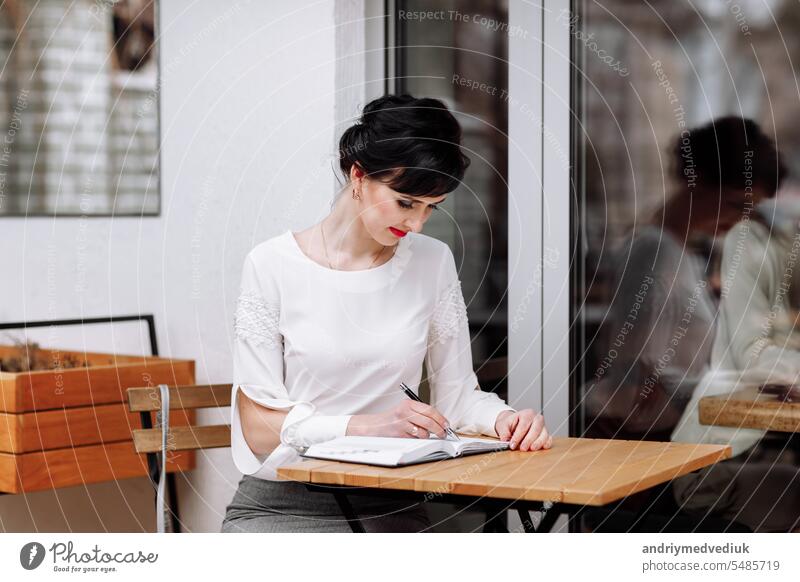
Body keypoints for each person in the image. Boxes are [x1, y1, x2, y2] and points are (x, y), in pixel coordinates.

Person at [221, 94, 552, 533]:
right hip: (287, 504)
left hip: (394, 501)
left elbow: (457, 396)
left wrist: (505, 420)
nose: (417, 224)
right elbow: (259, 426)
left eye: (431, 208)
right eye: (405, 202)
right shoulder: (272, 265)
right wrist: (372, 426)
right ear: (358, 175)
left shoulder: (431, 262)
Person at [670, 118, 800, 532]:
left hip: (757, 445)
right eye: (735, 204)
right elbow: (752, 351)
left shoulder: (771, 238)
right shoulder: (749, 240)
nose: (738, 218)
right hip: (724, 458)